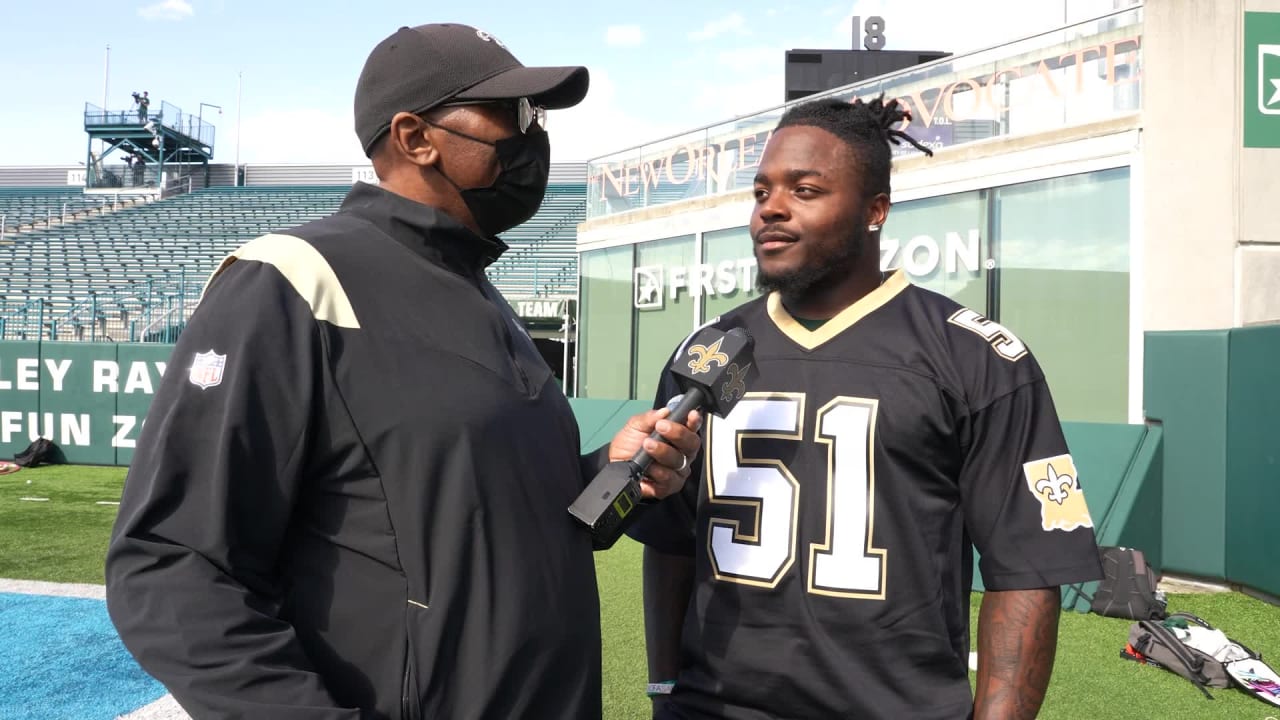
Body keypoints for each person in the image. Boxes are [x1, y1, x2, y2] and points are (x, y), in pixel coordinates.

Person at [105, 23, 701, 720]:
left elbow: (499, 518)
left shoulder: (484, 295)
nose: (533, 136)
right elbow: (171, 562)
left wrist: (613, 469)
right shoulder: (292, 280)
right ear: (416, 137)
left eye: (535, 117)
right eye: (512, 114)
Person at [629, 96, 1105, 720]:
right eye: (761, 190)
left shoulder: (975, 357)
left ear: (875, 210)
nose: (770, 208)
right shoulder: (710, 349)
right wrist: (665, 690)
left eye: (805, 189)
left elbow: (1027, 572)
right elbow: (670, 539)